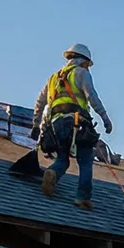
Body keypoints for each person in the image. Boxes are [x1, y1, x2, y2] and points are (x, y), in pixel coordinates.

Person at [31, 43, 113, 210]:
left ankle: (53, 172)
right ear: (83, 61)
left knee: (63, 159)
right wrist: (105, 119)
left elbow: (40, 102)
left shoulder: (53, 78)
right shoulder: (81, 73)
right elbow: (92, 97)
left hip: (56, 125)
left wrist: (36, 125)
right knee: (85, 160)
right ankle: (82, 198)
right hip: (78, 122)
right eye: (88, 65)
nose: (88, 68)